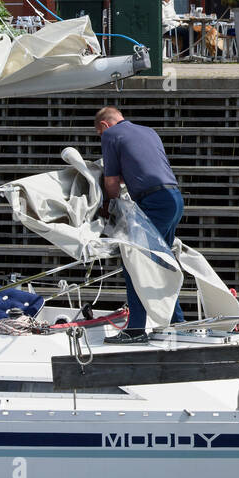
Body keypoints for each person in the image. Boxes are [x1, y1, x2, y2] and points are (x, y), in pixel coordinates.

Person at [95, 106, 186, 342]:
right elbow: (143, 165)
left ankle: (135, 330)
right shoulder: (148, 131)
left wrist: (107, 207)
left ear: (104, 126)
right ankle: (177, 322)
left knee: (134, 262)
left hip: (153, 202)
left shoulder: (110, 135)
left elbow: (112, 181)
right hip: (174, 198)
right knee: (162, 263)